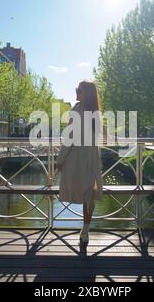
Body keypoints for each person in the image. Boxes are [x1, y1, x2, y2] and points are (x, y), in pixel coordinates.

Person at [56, 81, 103, 244]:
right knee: (89, 193)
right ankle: (85, 230)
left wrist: (60, 160)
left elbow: (69, 137)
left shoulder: (76, 110)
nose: (76, 92)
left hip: (77, 157)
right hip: (91, 156)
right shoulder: (96, 113)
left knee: (85, 193)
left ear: (87, 93)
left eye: (79, 90)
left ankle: (85, 231)